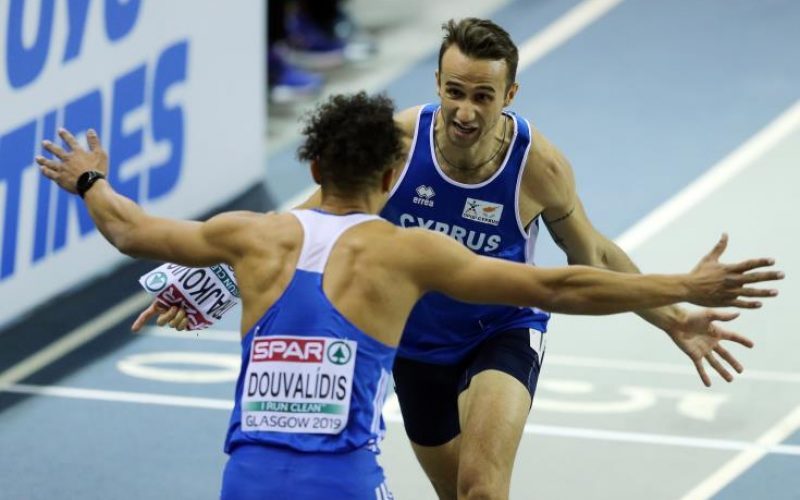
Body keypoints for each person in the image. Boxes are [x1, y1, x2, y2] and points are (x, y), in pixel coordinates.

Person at [138, 18, 783, 500]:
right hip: (414, 346)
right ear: (438, 86)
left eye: (482, 95)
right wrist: (212, 278)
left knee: (481, 490)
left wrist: (673, 317)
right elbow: (310, 221)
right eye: (454, 92)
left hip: (500, 331)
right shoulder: (397, 142)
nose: (465, 111)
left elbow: (591, 254)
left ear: (510, 94)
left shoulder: (538, 167)